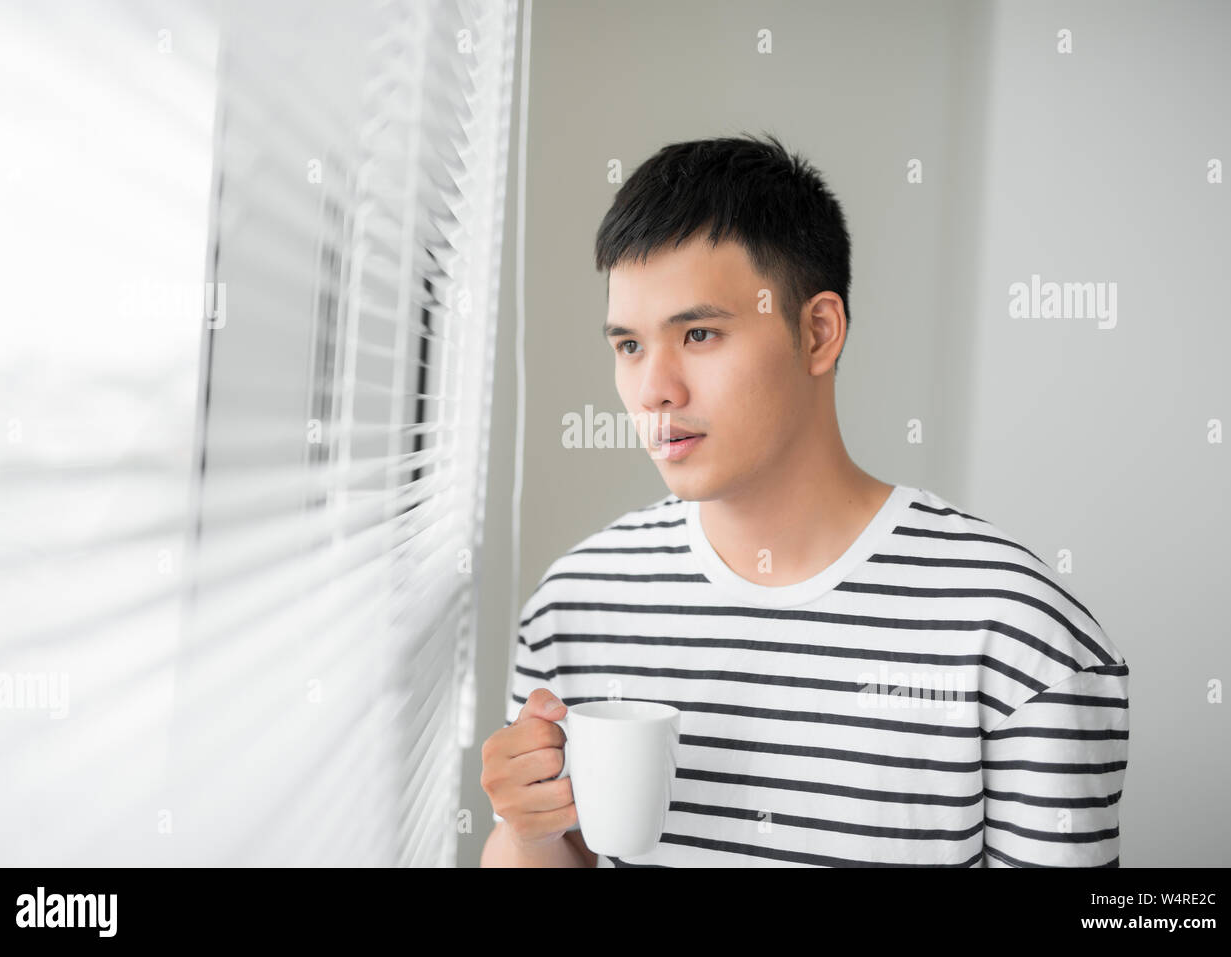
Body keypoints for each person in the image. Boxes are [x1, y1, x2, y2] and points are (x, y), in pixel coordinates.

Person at [480, 132, 1128, 867]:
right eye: (628, 345)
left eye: (697, 333)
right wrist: (527, 831)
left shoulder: (1018, 638)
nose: (654, 389)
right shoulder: (574, 603)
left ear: (818, 332)